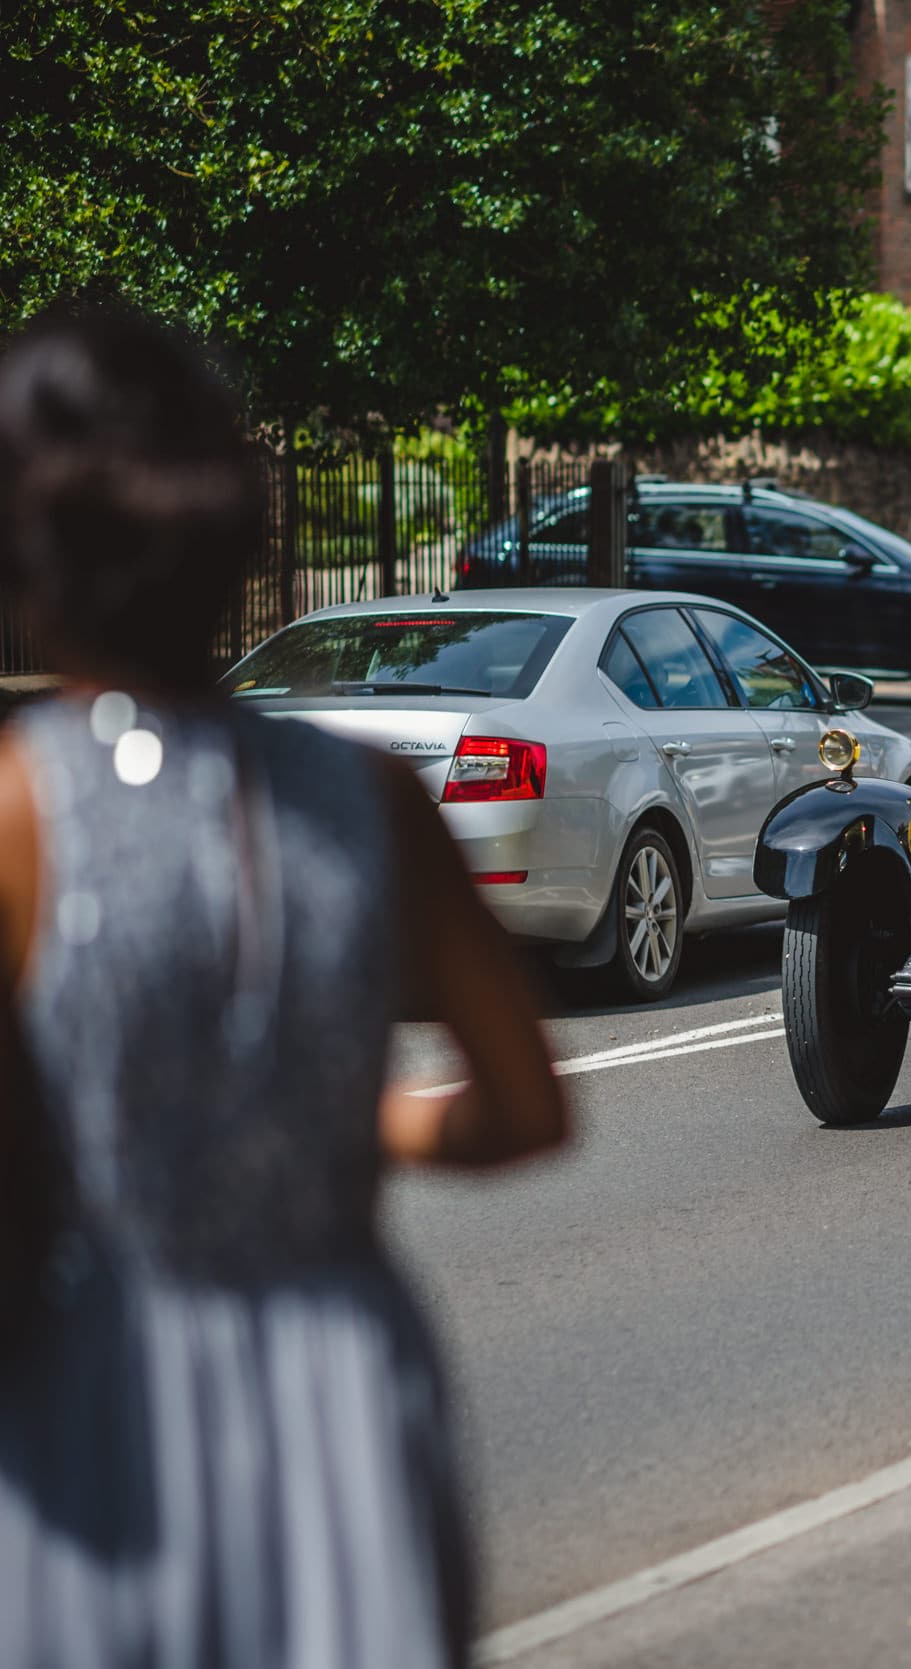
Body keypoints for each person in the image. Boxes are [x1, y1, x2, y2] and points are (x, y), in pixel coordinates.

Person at [0, 310, 569, 1667]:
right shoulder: (370, 800)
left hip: (97, 1387)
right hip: (340, 1385)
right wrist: (349, 1120)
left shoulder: (19, 808)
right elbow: (526, 1107)